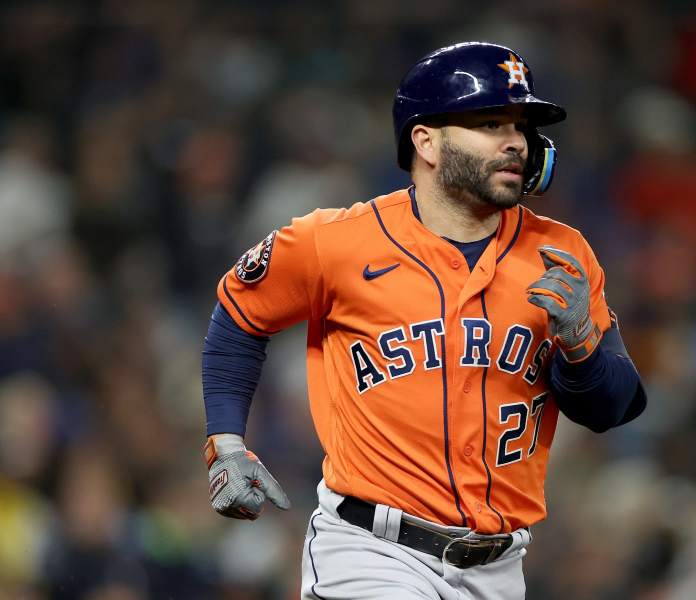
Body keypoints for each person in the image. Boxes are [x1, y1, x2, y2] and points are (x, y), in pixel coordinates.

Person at [202, 41, 647, 600]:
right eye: (490, 122)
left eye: (520, 125)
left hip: (501, 568)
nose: (515, 141)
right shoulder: (335, 244)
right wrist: (226, 441)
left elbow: (615, 407)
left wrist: (582, 348)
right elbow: (239, 315)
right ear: (425, 141)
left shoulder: (562, 252)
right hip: (370, 552)